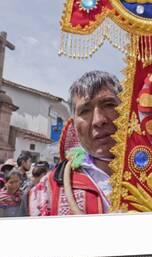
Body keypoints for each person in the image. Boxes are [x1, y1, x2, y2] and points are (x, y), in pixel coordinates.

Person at [29, 70, 121, 216]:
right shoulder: (47, 190)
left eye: (109, 105)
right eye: (85, 111)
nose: (98, 120)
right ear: (73, 124)